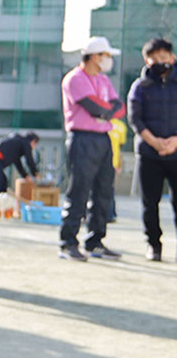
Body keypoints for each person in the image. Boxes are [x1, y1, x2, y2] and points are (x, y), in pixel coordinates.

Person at [59, 36, 126, 261]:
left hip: (103, 138)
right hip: (82, 138)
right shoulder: (74, 78)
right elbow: (95, 108)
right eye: (106, 55)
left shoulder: (103, 81)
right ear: (95, 56)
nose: (108, 60)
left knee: (104, 191)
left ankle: (95, 241)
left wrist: (106, 110)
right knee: (79, 190)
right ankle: (68, 242)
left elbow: (119, 107)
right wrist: (106, 110)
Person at [128, 37, 177, 262]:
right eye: (154, 59)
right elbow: (135, 119)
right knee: (150, 203)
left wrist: (174, 141)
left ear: (172, 57)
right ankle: (153, 245)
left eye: (164, 57)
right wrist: (155, 142)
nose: (160, 62)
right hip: (149, 154)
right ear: (147, 61)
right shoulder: (140, 86)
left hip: (176, 152)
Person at [0, 131, 40, 219]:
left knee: (3, 182)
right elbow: (29, 160)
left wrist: (25, 176)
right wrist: (35, 173)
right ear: (33, 141)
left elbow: (17, 162)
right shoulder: (25, 143)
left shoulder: (17, 143)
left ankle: (1, 208)